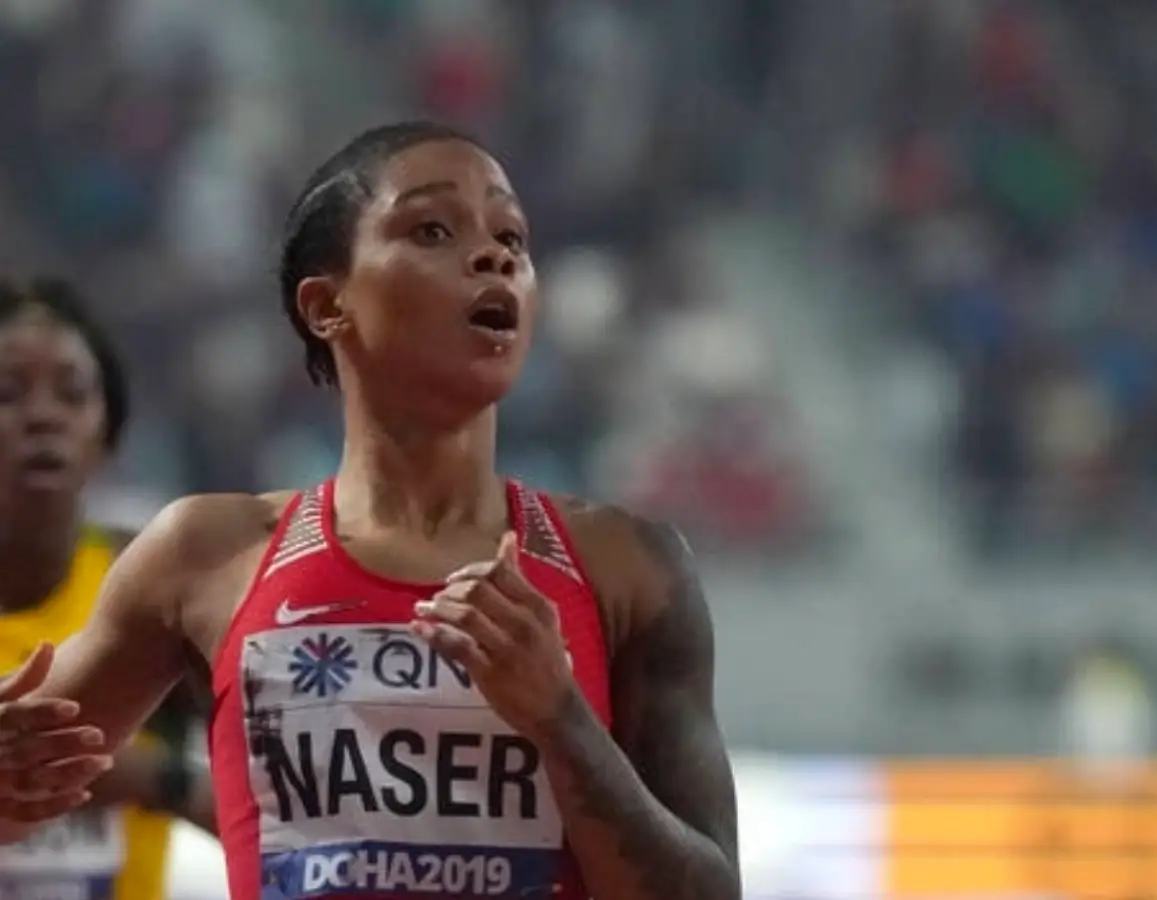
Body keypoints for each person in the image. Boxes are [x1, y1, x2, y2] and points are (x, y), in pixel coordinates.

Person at [0, 123, 740, 900]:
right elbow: (18, 796)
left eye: (511, 236)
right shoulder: (204, 556)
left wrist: (561, 720)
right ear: (326, 305)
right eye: (431, 229)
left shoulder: (627, 568)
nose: (496, 257)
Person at [0, 277, 215, 900]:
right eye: (8, 392)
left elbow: (280, 816)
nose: (43, 416)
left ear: (107, 432)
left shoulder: (156, 585)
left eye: (72, 394)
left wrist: (153, 779)